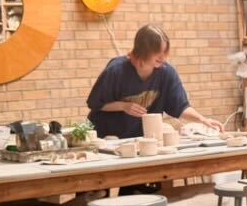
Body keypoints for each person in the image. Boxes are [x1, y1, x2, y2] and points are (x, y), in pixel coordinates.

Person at [86, 24, 223, 139]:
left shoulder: (166, 72)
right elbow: (95, 103)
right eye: (158, 52)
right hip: (106, 137)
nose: (163, 57)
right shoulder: (116, 70)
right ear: (143, 51)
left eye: (165, 52)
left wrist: (202, 120)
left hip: (141, 138)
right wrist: (123, 106)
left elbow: (180, 107)